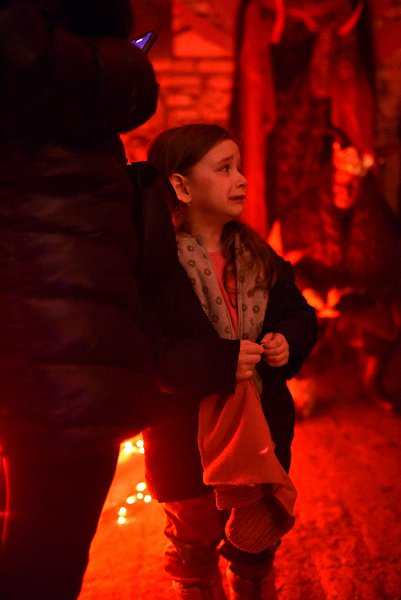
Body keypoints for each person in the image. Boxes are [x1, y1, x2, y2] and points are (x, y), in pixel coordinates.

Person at [143, 124, 318, 599]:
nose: (241, 179)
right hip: (185, 445)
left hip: (261, 433)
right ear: (181, 186)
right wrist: (219, 362)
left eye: (239, 168)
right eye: (224, 169)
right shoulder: (157, 269)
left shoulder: (260, 257)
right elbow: (149, 351)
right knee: (194, 537)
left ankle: (253, 582)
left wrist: (287, 341)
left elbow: (301, 314)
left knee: (256, 539)